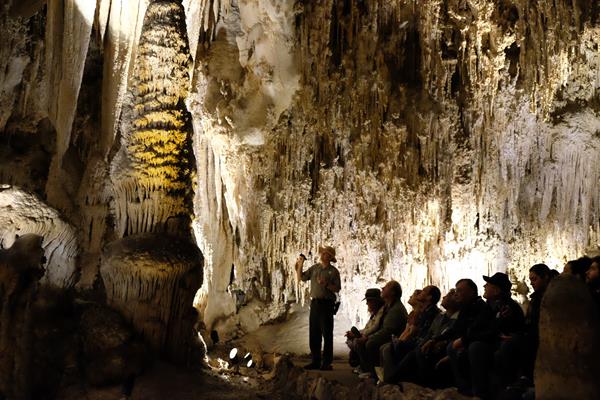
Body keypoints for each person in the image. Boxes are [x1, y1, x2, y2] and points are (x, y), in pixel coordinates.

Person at [449, 273, 525, 399]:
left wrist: (466, 340)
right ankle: (466, 389)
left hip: (501, 344)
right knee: (458, 346)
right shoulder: (490, 306)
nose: (484, 286)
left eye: (488, 285)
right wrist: (465, 339)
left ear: (496, 290)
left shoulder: (506, 307)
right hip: (492, 340)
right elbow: (477, 327)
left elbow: (494, 331)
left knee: (475, 347)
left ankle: (480, 393)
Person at [380, 285, 441, 383]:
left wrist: (401, 341)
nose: (421, 292)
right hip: (417, 341)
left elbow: (418, 332)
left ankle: (391, 380)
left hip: (420, 343)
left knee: (395, 347)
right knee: (392, 347)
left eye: (424, 291)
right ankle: (390, 378)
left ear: (429, 297)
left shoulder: (431, 312)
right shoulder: (424, 312)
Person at [296, 245, 341, 370]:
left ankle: (327, 362)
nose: (323, 255)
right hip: (315, 303)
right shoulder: (315, 268)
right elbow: (302, 277)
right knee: (314, 332)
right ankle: (315, 360)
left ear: (330, 257)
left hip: (327, 304)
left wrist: (326, 284)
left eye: (326, 254)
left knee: (327, 333)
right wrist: (300, 264)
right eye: (323, 253)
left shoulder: (333, 271)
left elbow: (337, 288)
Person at [355, 280, 407, 378]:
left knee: (370, 343)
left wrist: (368, 338)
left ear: (392, 292)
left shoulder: (396, 310)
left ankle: (374, 373)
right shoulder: (389, 307)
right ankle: (369, 369)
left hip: (393, 337)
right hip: (388, 335)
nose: (382, 288)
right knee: (363, 341)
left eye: (386, 287)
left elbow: (388, 330)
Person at [345, 288, 385, 370]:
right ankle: (361, 364)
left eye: (369, 301)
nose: (367, 303)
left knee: (357, 341)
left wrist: (361, 335)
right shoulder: (374, 313)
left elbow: (374, 328)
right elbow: (367, 327)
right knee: (353, 333)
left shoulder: (380, 313)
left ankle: (365, 368)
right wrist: (358, 333)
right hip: (368, 334)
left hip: (373, 337)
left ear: (376, 302)